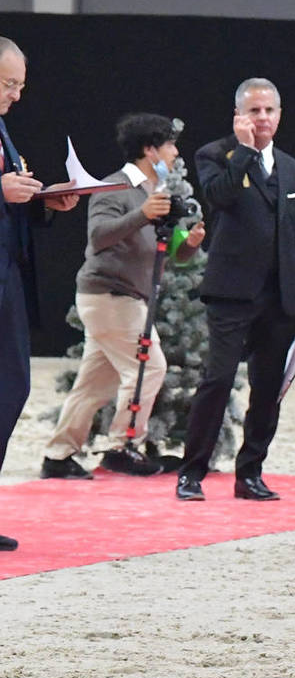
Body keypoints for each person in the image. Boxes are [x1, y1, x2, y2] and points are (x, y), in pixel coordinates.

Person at [175, 78, 295, 502]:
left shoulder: (294, 170)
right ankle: (191, 473)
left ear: (279, 115)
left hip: (281, 297)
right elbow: (219, 197)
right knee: (217, 380)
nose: (262, 118)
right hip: (231, 292)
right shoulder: (215, 156)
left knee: (269, 387)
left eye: (269, 110)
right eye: (254, 111)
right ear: (239, 115)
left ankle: (250, 472)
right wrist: (244, 153)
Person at [41, 114, 206, 478]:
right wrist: (141, 215)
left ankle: (58, 456)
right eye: (170, 145)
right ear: (150, 149)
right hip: (111, 296)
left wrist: (189, 245)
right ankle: (122, 447)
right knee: (150, 367)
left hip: (119, 298)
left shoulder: (152, 190)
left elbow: (171, 254)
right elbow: (99, 237)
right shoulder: (115, 187)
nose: (176, 153)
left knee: (95, 383)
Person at [1, 36, 82, 550]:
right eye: (9, 83)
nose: (15, 95)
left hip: (8, 279)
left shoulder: (3, 128)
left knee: (12, 389)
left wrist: (47, 202)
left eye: (20, 86)